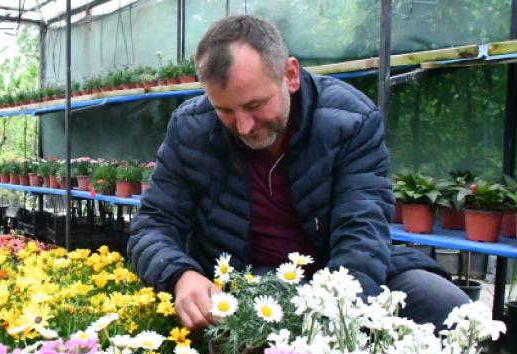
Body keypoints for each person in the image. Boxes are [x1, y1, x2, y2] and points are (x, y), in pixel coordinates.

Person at [127, 14, 468, 333]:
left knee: (449, 308)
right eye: (224, 110)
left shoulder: (350, 120)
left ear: (289, 75)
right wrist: (180, 274)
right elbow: (153, 224)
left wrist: (334, 320)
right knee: (269, 306)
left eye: (254, 105)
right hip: (248, 282)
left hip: (342, 275)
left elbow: (362, 233)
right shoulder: (191, 128)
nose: (243, 126)